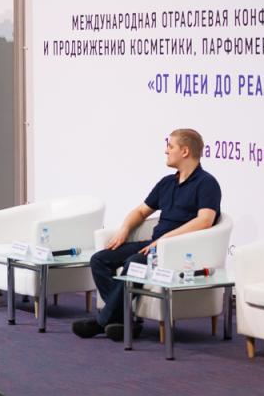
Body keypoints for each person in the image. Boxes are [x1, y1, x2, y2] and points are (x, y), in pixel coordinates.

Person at [72, 128, 221, 341]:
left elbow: (205, 220)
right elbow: (141, 212)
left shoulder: (207, 183)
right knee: (99, 259)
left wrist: (165, 240)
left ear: (185, 151)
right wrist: (124, 229)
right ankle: (124, 321)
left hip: (177, 250)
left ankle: (102, 321)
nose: (166, 151)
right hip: (153, 245)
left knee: (135, 262)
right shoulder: (167, 183)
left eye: (170, 146)